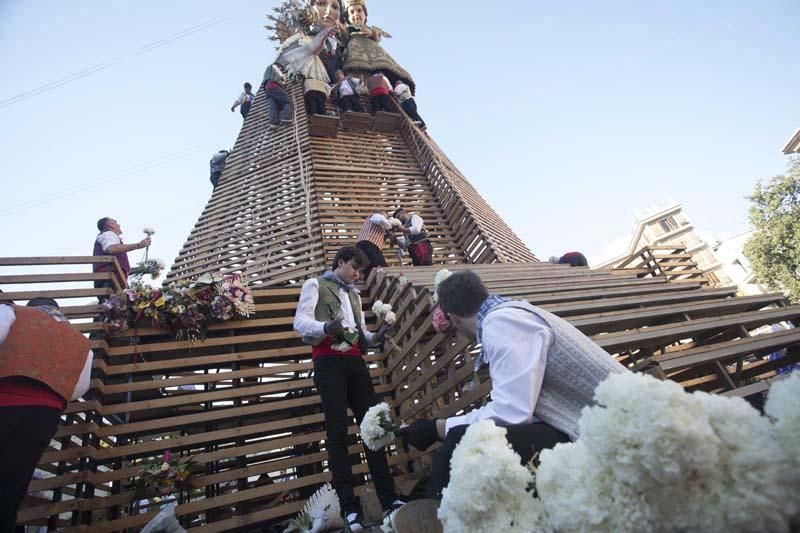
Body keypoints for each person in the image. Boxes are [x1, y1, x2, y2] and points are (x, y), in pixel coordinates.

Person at [401, 270, 628, 499]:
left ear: (454, 317)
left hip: (611, 434)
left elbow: (512, 413)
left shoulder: (501, 323)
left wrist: (438, 428)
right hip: (594, 421)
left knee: (461, 444)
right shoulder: (511, 315)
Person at [293, 246, 404, 532]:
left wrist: (376, 336)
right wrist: (326, 327)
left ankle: (389, 500)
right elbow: (300, 323)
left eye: (360, 270)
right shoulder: (315, 284)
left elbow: (361, 333)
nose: (357, 274)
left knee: (373, 428)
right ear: (340, 261)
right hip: (328, 362)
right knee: (337, 433)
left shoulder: (354, 294)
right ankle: (350, 509)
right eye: (354, 267)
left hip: (355, 362)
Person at [0, 298, 93, 531]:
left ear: (32, 305)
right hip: (44, 415)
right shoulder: (81, 342)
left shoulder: (12, 312)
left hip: (5, 400)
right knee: (11, 487)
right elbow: (77, 390)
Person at [340, 0, 415, 92]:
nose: (356, 14)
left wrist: (371, 33)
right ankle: (362, 83)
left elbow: (378, 37)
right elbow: (343, 38)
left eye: (359, 11)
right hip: (356, 52)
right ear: (348, 17)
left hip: (374, 51)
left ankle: (390, 84)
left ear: (365, 14)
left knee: (381, 69)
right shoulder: (349, 29)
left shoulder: (370, 29)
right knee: (358, 70)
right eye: (352, 12)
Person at [93, 217, 151, 296]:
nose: (119, 225)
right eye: (115, 222)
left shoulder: (108, 235)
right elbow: (111, 248)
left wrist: (142, 269)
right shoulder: (108, 234)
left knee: (111, 304)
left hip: (109, 280)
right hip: (109, 280)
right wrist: (139, 245)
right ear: (111, 225)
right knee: (111, 304)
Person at [355, 212, 395, 281]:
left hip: (363, 246)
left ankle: (370, 288)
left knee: (369, 269)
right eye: (385, 217)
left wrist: (388, 235)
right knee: (383, 267)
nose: (386, 218)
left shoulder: (377, 226)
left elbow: (379, 238)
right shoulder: (375, 216)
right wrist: (391, 223)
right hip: (367, 244)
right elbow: (381, 220)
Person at [262, 63, 292, 128]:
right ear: (278, 66)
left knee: (273, 106)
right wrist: (284, 77)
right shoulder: (274, 66)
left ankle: (273, 123)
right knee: (287, 102)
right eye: (281, 68)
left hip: (267, 89)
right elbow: (281, 76)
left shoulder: (267, 70)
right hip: (273, 86)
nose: (281, 69)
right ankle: (285, 117)